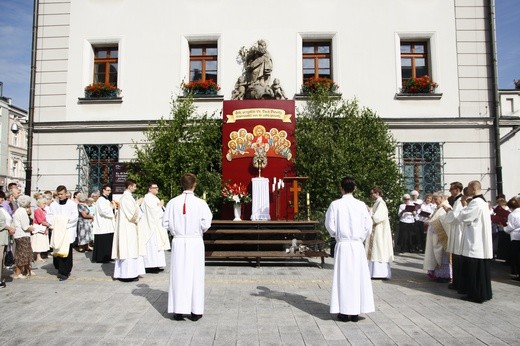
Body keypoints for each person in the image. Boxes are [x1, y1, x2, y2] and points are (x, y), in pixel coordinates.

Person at [162, 173, 213, 321]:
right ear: (194, 184)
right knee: (195, 275)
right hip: (195, 241)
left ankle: (178, 310)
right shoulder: (200, 203)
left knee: (179, 274)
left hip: (178, 241)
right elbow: (206, 223)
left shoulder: (172, 202)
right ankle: (195, 311)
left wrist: (175, 230)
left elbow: (165, 223)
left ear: (181, 184)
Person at [325, 176, 374, 322]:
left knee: (343, 278)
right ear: (354, 188)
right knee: (357, 277)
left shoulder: (335, 204)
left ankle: (344, 311)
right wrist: (361, 238)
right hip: (357, 245)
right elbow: (368, 225)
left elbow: (329, 224)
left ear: (341, 188)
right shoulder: (361, 205)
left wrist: (337, 235)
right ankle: (355, 312)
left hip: (343, 244)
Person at [456, 180, 493, 303]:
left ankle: (475, 294)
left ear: (472, 188)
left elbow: (465, 216)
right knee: (480, 270)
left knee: (474, 270)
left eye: (469, 188)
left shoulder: (476, 203)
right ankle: (483, 293)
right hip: (479, 241)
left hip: (475, 241)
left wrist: (463, 207)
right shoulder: (483, 202)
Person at [112, 179, 146, 282]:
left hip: (130, 228)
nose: (135, 188)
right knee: (128, 250)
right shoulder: (126, 198)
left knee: (131, 250)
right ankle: (126, 275)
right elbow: (132, 216)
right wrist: (138, 205)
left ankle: (132, 273)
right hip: (127, 229)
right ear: (130, 186)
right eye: (134, 186)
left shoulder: (128, 198)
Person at [48, 185, 79, 281]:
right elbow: (49, 216)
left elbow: (74, 217)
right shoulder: (54, 204)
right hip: (57, 230)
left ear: (66, 193)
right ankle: (58, 268)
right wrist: (54, 223)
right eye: (58, 194)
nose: (60, 196)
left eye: (61, 194)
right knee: (57, 250)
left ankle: (64, 272)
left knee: (66, 252)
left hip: (67, 230)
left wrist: (64, 222)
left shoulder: (72, 204)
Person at [140, 182, 170, 273]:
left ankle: (156, 264)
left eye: (157, 187)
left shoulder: (154, 198)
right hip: (151, 227)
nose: (157, 189)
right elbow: (152, 213)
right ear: (149, 189)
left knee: (158, 246)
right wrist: (160, 206)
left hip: (157, 225)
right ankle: (150, 265)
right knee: (152, 246)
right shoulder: (148, 198)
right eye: (155, 187)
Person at [365, 187, 394, 279]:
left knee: (379, 250)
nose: (371, 195)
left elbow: (378, 217)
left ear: (377, 193)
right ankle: (374, 272)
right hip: (377, 230)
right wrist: (370, 210)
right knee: (376, 250)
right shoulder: (377, 203)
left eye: (372, 193)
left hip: (380, 231)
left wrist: (369, 213)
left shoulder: (381, 203)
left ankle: (380, 273)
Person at [423, 192, 451, 283]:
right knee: (436, 255)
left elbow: (445, 221)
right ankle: (437, 274)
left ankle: (444, 276)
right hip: (435, 235)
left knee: (443, 257)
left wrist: (432, 222)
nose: (434, 201)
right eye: (433, 199)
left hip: (442, 237)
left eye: (436, 198)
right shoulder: (439, 207)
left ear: (442, 197)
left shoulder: (446, 207)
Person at [443, 181, 464, 290]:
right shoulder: (456, 200)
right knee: (455, 258)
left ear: (457, 189)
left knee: (458, 257)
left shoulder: (460, 201)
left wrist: (448, 211)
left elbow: (456, 217)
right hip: (455, 231)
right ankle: (456, 281)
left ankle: (459, 282)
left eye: (451, 189)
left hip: (459, 232)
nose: (450, 191)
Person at [12, 195, 35, 279]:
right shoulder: (22, 212)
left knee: (26, 253)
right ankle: (17, 273)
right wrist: (33, 228)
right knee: (22, 254)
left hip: (20, 235)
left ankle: (27, 270)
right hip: (22, 235)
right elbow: (25, 226)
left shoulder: (19, 211)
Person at [92, 185, 116, 263]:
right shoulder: (101, 200)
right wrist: (111, 207)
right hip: (103, 224)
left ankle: (108, 256)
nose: (109, 192)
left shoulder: (106, 200)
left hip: (108, 224)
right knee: (103, 241)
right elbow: (103, 211)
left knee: (108, 240)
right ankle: (101, 257)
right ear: (103, 190)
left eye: (110, 190)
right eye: (108, 190)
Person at [0, 191, 15, 288]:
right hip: (0, 237)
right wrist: (9, 228)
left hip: (3, 237)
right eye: (1, 198)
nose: (2, 200)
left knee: (1, 258)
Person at [503, 197, 520, 280]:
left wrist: (504, 228)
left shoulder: (512, 214)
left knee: (516, 256)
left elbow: (511, 227)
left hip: (515, 237)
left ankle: (517, 274)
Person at [31, 197, 50, 262]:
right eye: (43, 203)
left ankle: (39, 256)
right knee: (38, 243)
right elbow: (40, 220)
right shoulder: (37, 210)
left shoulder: (44, 210)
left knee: (41, 243)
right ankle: (38, 257)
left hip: (44, 228)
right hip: (39, 229)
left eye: (45, 203)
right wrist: (48, 224)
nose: (44, 205)